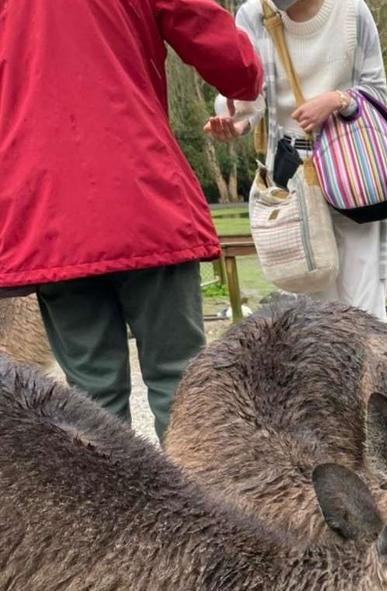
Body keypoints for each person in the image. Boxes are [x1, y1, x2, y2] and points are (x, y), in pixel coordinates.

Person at [0, 0, 263, 443]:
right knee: (180, 386)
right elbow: (235, 65)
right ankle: (197, 509)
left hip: (52, 215)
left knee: (91, 402)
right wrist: (248, 72)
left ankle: (112, 511)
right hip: (143, 195)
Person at [205, 0, 387, 321]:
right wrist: (238, 122)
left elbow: (377, 93)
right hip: (291, 176)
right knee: (310, 309)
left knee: (365, 307)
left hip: (354, 170)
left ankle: (369, 369)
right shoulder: (253, 14)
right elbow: (249, 96)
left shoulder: (352, 10)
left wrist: (337, 100)